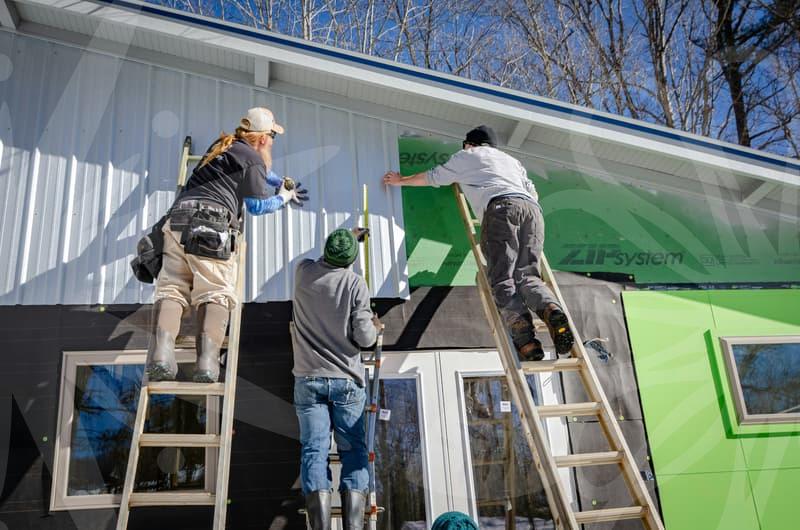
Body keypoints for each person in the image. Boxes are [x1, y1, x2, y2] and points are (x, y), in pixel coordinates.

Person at [382, 125, 574, 360]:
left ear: (469, 144)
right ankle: (551, 309)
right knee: (528, 276)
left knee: (502, 278)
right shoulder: (511, 161)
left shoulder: (468, 155)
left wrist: (401, 180)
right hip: (533, 213)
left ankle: (526, 342)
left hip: (501, 209)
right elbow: (533, 194)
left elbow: (434, 177)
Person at [146, 107, 308, 383]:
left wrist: (278, 180)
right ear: (261, 139)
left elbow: (256, 170)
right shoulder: (254, 160)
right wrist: (283, 196)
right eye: (272, 137)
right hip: (210, 226)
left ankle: (161, 357)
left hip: (177, 221)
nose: (272, 142)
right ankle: (207, 365)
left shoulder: (222, 146)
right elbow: (256, 206)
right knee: (215, 291)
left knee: (172, 288)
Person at [291, 228, 380, 530]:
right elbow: (365, 338)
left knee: (314, 450)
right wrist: (375, 327)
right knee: (353, 451)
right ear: (352, 260)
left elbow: (324, 265)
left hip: (308, 378)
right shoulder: (356, 284)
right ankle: (353, 525)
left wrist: (347, 243)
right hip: (345, 380)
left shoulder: (302, 273)